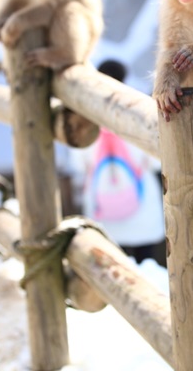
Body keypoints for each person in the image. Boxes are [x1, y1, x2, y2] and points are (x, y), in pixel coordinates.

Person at [72, 59, 165, 263]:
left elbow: (78, 164)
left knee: (113, 265)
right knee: (146, 264)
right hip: (142, 208)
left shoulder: (86, 116)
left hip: (102, 208)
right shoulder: (138, 111)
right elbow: (156, 161)